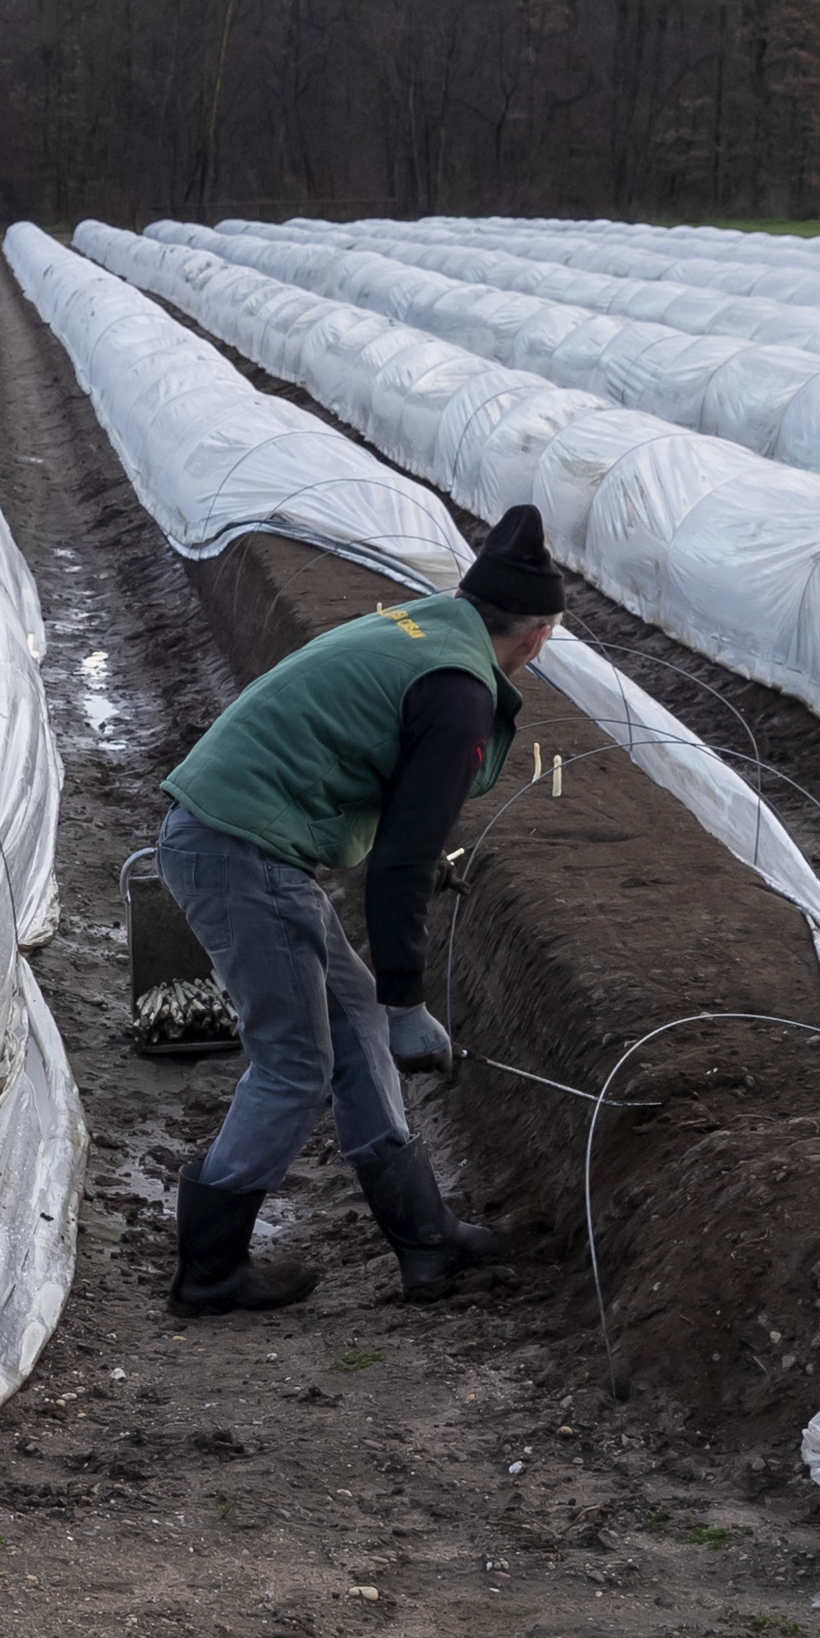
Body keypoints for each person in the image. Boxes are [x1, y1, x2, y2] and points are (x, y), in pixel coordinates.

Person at [155, 507, 573, 1314]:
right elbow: (400, 862)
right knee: (294, 1064)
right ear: (538, 639)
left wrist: (387, 994)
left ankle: (425, 1240)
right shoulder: (458, 695)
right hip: (240, 849)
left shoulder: (423, 626)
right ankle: (208, 1270)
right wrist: (409, 999)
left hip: (241, 835)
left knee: (352, 1013)